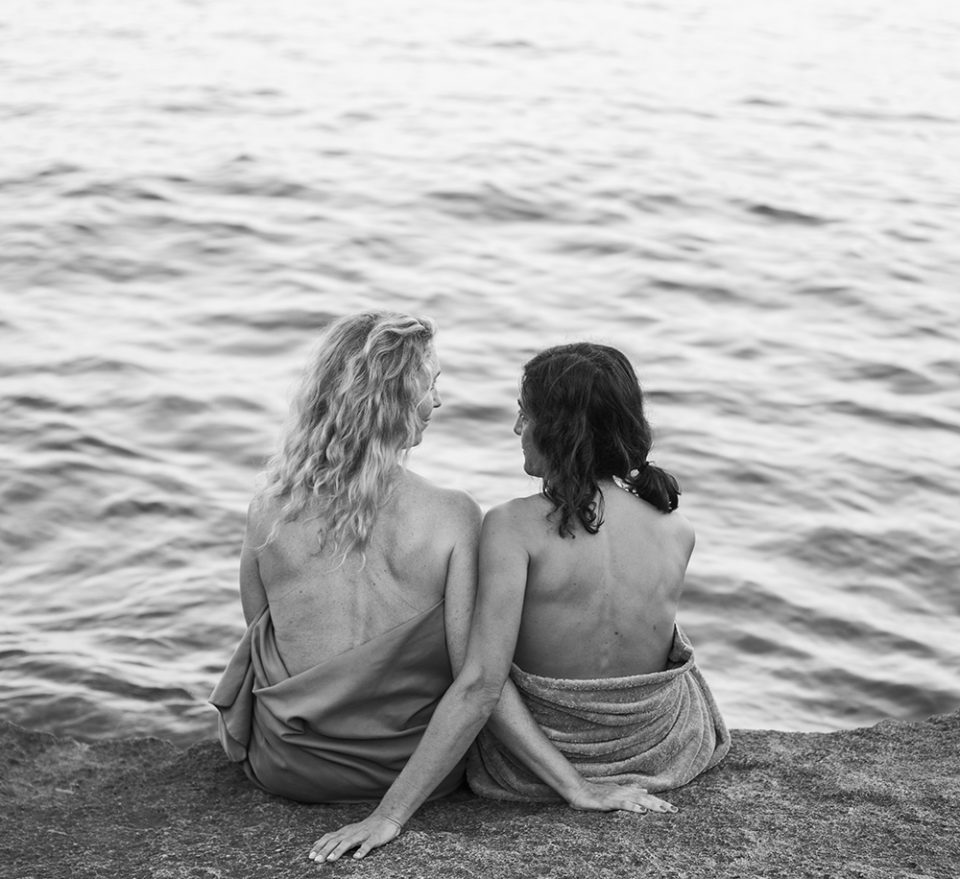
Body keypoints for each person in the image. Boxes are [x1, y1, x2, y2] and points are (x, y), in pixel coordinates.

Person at [309, 342, 730, 862]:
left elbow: (482, 684)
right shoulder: (677, 527)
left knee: (460, 641)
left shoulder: (512, 527)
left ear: (556, 429)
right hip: (662, 750)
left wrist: (388, 816)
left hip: (533, 768)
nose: (516, 429)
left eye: (524, 413)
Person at [209, 311, 482, 802]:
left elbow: (260, 633)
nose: (438, 400)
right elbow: (472, 674)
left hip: (289, 765)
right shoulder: (454, 515)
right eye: (430, 385)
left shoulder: (268, 509)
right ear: (396, 399)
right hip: (412, 772)